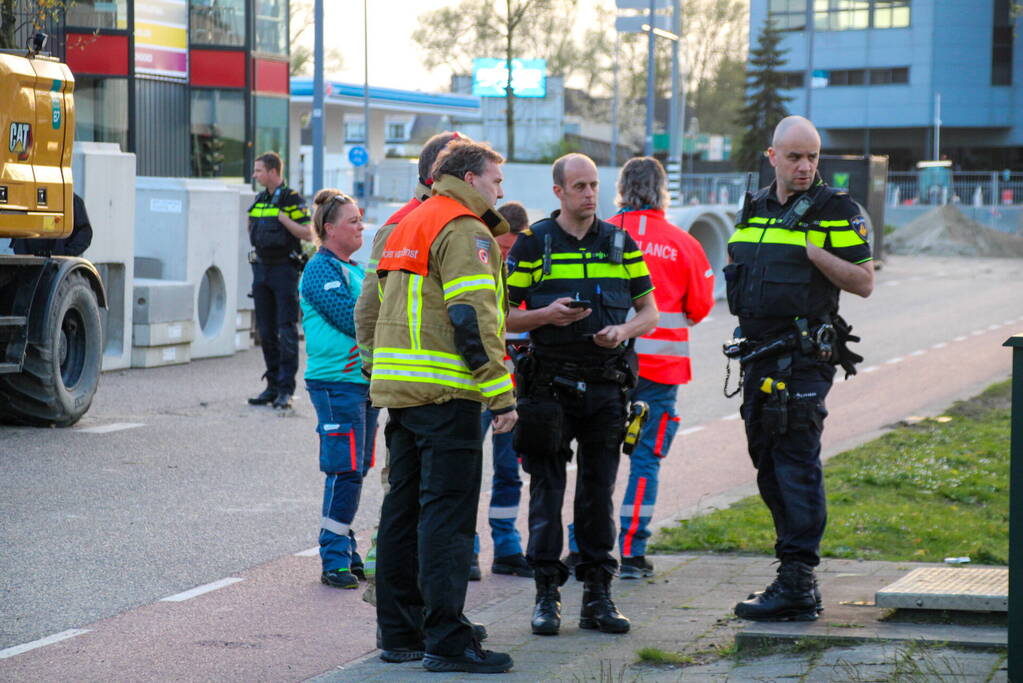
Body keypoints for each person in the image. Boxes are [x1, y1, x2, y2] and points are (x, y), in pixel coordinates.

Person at [360, 140, 517, 674]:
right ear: (470, 178)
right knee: (446, 519)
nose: (501, 189)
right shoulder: (465, 229)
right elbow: (474, 318)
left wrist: (377, 371)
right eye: (496, 179)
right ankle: (446, 639)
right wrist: (499, 392)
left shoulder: (407, 223)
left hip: (401, 397)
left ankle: (399, 633)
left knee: (401, 514)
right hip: (449, 396)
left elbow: (367, 310)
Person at [505, 153, 658, 637]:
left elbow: (649, 311)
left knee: (597, 494)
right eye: (579, 187)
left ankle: (598, 596)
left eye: (594, 185)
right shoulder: (532, 244)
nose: (589, 194)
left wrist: (624, 330)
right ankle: (546, 596)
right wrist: (545, 315)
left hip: (606, 384)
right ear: (558, 193)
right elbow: (502, 317)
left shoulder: (620, 240)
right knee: (547, 492)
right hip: (548, 383)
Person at [726, 116, 873, 622]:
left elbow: (864, 281)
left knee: (796, 465)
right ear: (772, 157)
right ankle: (792, 579)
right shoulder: (755, 207)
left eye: (812, 156)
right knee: (767, 462)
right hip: (758, 358)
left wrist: (815, 254)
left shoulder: (837, 210)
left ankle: (797, 580)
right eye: (794, 156)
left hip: (804, 360)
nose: (806, 165)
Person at [606, 157, 715, 578]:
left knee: (599, 460)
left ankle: (585, 551)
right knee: (646, 462)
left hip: (608, 366)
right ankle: (632, 553)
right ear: (662, 191)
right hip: (662, 371)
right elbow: (701, 307)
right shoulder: (683, 243)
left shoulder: (601, 234)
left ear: (620, 188)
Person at [300, 189, 379, 590]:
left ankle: (344, 546)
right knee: (344, 470)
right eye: (353, 221)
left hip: (363, 383)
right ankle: (333, 556)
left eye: (361, 219)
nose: (361, 226)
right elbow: (354, 320)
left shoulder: (358, 270)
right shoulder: (319, 270)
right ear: (329, 229)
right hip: (335, 384)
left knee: (358, 470)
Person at [474, 201, 532, 580]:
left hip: (514, 384)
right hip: (479, 382)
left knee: (509, 469)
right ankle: (466, 550)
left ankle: (507, 547)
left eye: (513, 250)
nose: (508, 257)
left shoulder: (529, 265)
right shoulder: (478, 261)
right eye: (504, 249)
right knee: (467, 471)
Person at [246, 151, 313, 410]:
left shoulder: (292, 199)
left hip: (284, 270)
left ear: (273, 171)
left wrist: (283, 218)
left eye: (259, 170)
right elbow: (250, 224)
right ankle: (272, 386)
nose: (255, 175)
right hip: (261, 269)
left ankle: (286, 390)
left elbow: (308, 232)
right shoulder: (260, 198)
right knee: (265, 330)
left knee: (286, 330)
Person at [12, 193, 93, 257]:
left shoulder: (70, 200)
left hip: (56, 265)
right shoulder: (25, 197)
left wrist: (65, 253)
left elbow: (85, 233)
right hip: (26, 264)